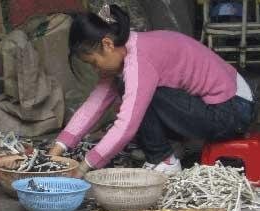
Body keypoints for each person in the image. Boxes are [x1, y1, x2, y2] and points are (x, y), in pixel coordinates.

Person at [49, 5, 255, 177]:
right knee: (135, 95)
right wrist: (59, 148)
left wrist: (86, 166)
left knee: (139, 100)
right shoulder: (127, 51)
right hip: (232, 102)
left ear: (108, 44)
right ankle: (172, 150)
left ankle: (164, 159)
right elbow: (94, 105)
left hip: (233, 110)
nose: (96, 69)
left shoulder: (139, 61)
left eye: (94, 62)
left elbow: (127, 124)